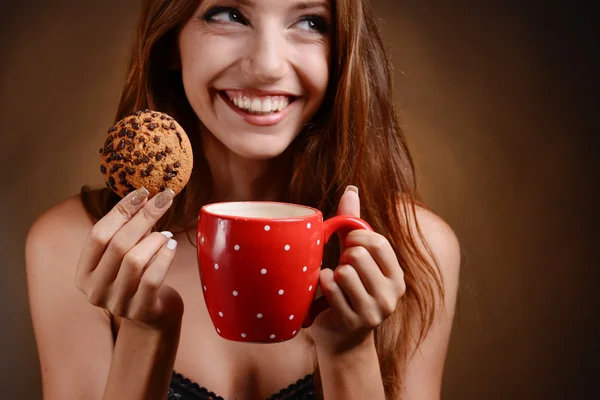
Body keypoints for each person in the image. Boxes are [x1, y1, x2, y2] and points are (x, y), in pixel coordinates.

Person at [25, 0, 460, 399]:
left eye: (309, 21)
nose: (268, 66)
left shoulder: (415, 246)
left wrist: (349, 353)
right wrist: (146, 334)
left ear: (340, 52)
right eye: (229, 14)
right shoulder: (74, 244)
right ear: (171, 44)